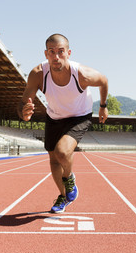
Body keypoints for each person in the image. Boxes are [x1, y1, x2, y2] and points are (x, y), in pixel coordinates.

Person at [17, 34, 109, 213]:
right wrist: (23, 112)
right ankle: (63, 196)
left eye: (60, 52)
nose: (56, 57)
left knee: (62, 152)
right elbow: (22, 103)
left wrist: (103, 106)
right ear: (46, 54)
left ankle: (70, 178)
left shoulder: (81, 74)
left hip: (79, 115)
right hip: (54, 116)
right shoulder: (38, 74)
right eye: (52, 52)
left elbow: (103, 81)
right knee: (53, 160)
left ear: (68, 53)